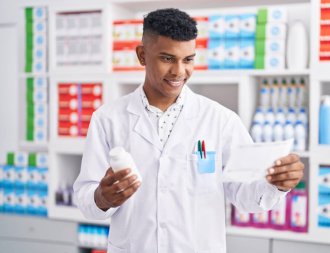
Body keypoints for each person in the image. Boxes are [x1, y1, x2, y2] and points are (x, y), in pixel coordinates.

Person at [73, 8, 304, 253]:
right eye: (167, 58)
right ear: (142, 55)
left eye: (188, 59)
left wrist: (276, 184)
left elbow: (246, 195)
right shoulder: (108, 119)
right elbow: (86, 196)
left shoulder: (220, 120)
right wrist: (102, 197)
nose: (179, 71)